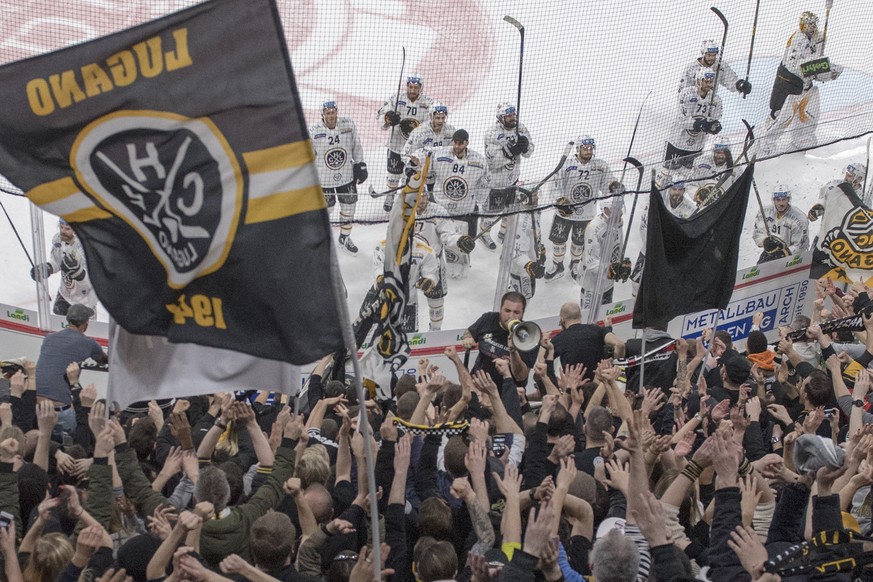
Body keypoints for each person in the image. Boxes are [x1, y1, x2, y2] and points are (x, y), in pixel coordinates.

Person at [372, 195, 470, 331]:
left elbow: (448, 236)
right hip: (406, 263)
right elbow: (391, 235)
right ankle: (401, 330)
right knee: (405, 299)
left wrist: (458, 241)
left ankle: (435, 330)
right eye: (417, 197)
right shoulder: (400, 209)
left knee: (436, 299)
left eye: (423, 197)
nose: (420, 201)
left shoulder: (438, 211)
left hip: (432, 261)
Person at [760, 11, 843, 153]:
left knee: (810, 112)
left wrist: (828, 73)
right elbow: (795, 66)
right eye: (807, 24)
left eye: (813, 24)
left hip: (806, 85)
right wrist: (821, 66)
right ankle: (766, 142)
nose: (811, 27)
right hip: (789, 83)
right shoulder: (797, 39)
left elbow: (815, 68)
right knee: (781, 115)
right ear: (802, 24)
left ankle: (802, 139)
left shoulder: (818, 38)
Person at [545, 136, 621, 281]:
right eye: (585, 148)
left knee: (579, 242)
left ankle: (575, 265)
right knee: (559, 240)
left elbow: (607, 182)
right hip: (565, 213)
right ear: (578, 149)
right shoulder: (566, 166)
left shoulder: (600, 166)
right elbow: (555, 186)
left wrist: (613, 185)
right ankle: (557, 265)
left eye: (591, 148)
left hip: (586, 214)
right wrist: (561, 201)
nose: (588, 151)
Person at [34, 303, 107, 436]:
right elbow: (103, 360)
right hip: (60, 411)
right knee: (81, 433)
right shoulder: (88, 343)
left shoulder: (48, 338)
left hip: (38, 407)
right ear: (85, 324)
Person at [429, 129, 490, 279]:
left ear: (467, 142)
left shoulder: (479, 161)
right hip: (441, 209)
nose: (456, 146)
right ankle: (432, 269)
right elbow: (424, 163)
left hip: (465, 211)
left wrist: (479, 202)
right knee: (436, 242)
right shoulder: (439, 154)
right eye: (455, 142)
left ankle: (460, 269)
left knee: (463, 244)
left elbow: (486, 182)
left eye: (460, 143)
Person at [310, 98, 367, 255]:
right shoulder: (313, 131)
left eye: (333, 112)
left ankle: (345, 237)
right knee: (325, 211)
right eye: (328, 113)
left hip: (346, 176)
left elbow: (357, 145)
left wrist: (360, 165)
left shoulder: (348, 125)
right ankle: (323, 239)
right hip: (324, 179)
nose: (331, 115)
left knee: (349, 207)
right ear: (322, 114)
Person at [377, 73, 434, 212]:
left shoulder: (429, 104)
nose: (412, 90)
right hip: (396, 145)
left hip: (415, 150)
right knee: (393, 175)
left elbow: (432, 126)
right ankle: (390, 196)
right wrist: (388, 118)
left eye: (416, 87)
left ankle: (404, 200)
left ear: (421, 88)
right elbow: (381, 116)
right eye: (410, 87)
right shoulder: (396, 99)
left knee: (409, 177)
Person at [481, 102, 534, 250]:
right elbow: (492, 162)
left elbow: (529, 152)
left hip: (513, 177)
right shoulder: (491, 133)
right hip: (496, 180)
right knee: (491, 211)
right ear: (500, 118)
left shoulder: (521, 128)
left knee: (509, 209)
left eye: (513, 114)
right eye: (508, 116)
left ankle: (503, 231)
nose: (512, 118)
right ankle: (484, 233)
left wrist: (525, 147)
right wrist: (511, 151)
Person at [461, 291, 538, 386]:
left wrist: (513, 351)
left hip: (507, 392)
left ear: (523, 313)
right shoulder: (488, 319)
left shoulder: (529, 334)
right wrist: (468, 338)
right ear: (500, 309)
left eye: (516, 312)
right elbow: (469, 332)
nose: (511, 316)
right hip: (478, 385)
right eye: (507, 311)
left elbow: (520, 376)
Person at [30, 219, 98, 316]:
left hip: (85, 301)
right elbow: (57, 261)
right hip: (64, 295)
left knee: (82, 330)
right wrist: (48, 268)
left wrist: (78, 273)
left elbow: (94, 280)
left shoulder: (88, 246)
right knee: (58, 325)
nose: (63, 231)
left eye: (67, 229)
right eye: (61, 227)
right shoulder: (58, 239)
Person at [665, 67, 723, 171]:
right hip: (677, 143)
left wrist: (714, 127)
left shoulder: (716, 99)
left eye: (711, 82)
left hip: (697, 147)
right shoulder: (686, 94)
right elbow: (682, 120)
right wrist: (700, 125)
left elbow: (716, 118)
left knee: (690, 176)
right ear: (698, 81)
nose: (709, 84)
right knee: (668, 173)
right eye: (706, 81)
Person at [551, 302, 626, 376]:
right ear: (580, 316)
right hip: (599, 383)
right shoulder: (597, 329)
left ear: (562, 319)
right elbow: (620, 345)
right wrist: (616, 370)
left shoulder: (559, 338)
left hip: (575, 385)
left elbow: (543, 362)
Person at [573, 202, 623, 310]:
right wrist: (611, 269)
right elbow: (592, 263)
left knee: (605, 318)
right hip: (592, 286)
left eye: (620, 208)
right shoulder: (594, 228)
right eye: (617, 209)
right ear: (606, 210)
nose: (621, 213)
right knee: (588, 322)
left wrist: (620, 267)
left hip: (608, 283)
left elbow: (616, 249)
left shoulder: (617, 223)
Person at [401, 101, 455, 191]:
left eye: (443, 118)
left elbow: (454, 152)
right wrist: (411, 164)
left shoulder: (451, 131)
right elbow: (404, 153)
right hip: (420, 175)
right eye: (437, 118)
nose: (440, 121)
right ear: (431, 116)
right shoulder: (419, 132)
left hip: (439, 178)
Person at [753, 184, 810, 264]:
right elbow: (757, 234)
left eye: (784, 199)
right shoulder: (764, 212)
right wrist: (764, 241)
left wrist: (784, 253)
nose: (781, 203)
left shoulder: (799, 219)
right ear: (773, 200)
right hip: (770, 254)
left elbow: (801, 246)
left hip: (794, 257)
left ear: (788, 200)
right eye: (778, 200)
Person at [677, 39, 749, 96]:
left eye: (714, 55)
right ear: (703, 54)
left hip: (711, 105)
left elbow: (730, 80)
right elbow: (682, 91)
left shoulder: (720, 66)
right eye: (709, 55)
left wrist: (740, 85)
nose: (712, 58)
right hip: (692, 106)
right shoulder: (691, 69)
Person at [688, 142, 737, 207]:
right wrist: (697, 194)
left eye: (724, 153)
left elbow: (738, 189)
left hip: (724, 207)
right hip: (702, 206)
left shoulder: (736, 168)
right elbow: (689, 184)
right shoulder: (700, 161)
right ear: (713, 151)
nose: (721, 156)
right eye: (718, 152)